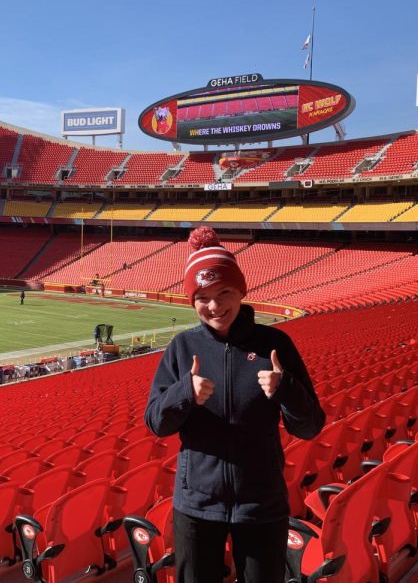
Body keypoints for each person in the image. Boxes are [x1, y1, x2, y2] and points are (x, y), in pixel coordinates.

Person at [144, 226, 325, 583]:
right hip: (197, 504)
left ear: (241, 290)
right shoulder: (182, 347)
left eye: (224, 292)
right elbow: (155, 422)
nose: (215, 306)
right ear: (191, 301)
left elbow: (310, 426)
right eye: (202, 297)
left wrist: (285, 389)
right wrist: (184, 394)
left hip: (261, 502)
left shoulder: (276, 344)